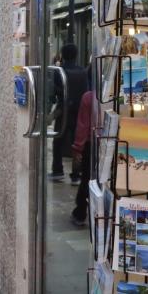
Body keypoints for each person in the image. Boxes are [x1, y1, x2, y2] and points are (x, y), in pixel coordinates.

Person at [49, 43, 88, 185]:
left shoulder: (59, 71)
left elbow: (53, 93)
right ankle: (76, 175)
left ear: (62, 55)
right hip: (80, 112)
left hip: (63, 111)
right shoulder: (83, 72)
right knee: (77, 143)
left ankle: (57, 171)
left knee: (58, 141)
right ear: (76, 55)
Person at [70, 65, 94, 227]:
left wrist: (77, 148)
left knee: (86, 179)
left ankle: (80, 213)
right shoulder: (113, 98)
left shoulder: (88, 98)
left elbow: (83, 127)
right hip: (108, 144)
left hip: (90, 146)